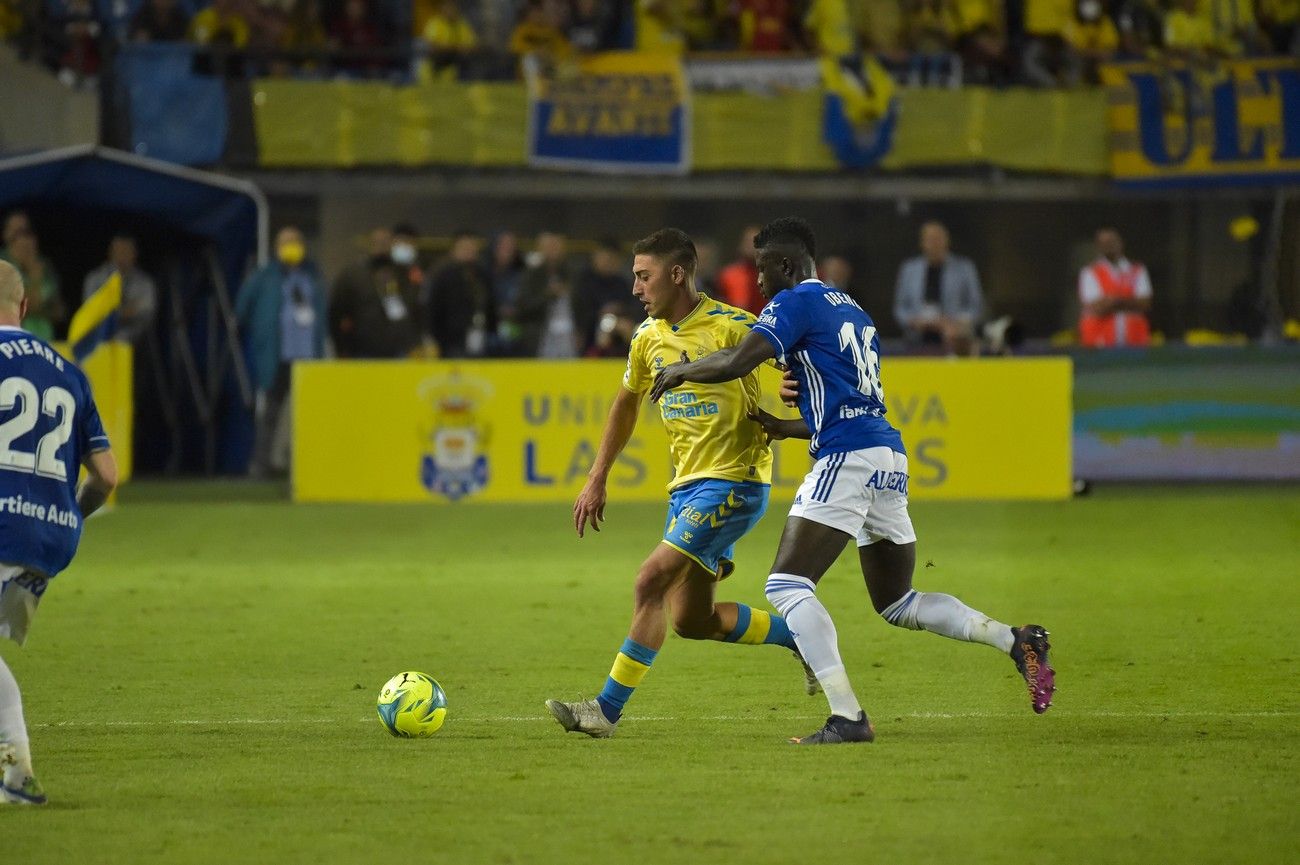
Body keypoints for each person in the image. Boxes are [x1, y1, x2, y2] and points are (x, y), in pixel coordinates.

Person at [649, 217, 1054, 744]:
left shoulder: (793, 302)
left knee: (786, 585)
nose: (760, 283)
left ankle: (847, 717)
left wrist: (684, 369)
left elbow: (739, 359)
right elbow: (848, 400)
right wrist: (785, 427)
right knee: (897, 601)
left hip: (849, 458)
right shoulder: (853, 310)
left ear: (788, 266)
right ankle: (1015, 639)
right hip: (886, 454)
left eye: (764, 270)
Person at [545, 228, 813, 739]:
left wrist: (792, 382)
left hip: (734, 479)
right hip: (686, 486)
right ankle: (803, 636)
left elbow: (797, 359)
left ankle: (604, 711)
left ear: (676, 274)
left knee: (649, 580)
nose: (635, 288)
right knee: (693, 620)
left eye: (643, 276)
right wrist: (597, 475)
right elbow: (626, 402)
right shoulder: (647, 338)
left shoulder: (735, 326)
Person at [0, 260, 119, 805]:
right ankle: (15, 774)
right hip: (51, 539)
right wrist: (70, 516)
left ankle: (16, 769)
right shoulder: (69, 372)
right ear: (24, 308)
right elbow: (107, 476)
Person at [235, 226, 327, 478]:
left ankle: (303, 467)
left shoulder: (313, 276)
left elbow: (322, 314)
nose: (291, 246)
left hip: (308, 357)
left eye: (295, 241)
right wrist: (260, 333)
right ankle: (260, 465)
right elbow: (241, 309)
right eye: (286, 242)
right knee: (271, 414)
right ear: (276, 248)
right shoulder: (264, 276)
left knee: (306, 415)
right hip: (277, 357)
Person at [330, 227, 425, 358]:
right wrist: (341, 347)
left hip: (400, 349)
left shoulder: (405, 273)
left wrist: (416, 342)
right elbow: (337, 312)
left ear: (392, 245)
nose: (382, 246)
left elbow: (415, 309)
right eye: (378, 242)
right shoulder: (352, 274)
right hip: (362, 350)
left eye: (386, 242)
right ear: (370, 244)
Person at [893, 221, 982, 355]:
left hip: (953, 341)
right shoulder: (909, 270)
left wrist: (955, 323)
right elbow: (900, 308)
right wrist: (913, 321)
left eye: (938, 239)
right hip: (916, 341)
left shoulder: (964, 268)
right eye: (930, 239)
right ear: (922, 242)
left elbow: (976, 306)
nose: (934, 243)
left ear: (947, 241)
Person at [1078, 227, 1152, 348]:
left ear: (1120, 242)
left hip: (1134, 343)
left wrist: (1113, 300)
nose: (1107, 245)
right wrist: (1129, 301)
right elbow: (1096, 307)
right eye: (1103, 243)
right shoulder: (1089, 272)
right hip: (1099, 343)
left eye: (1111, 241)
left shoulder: (1137, 270)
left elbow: (1145, 303)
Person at [425, 230, 494, 358]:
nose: (469, 251)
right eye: (464, 247)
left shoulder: (482, 276)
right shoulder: (443, 276)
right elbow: (433, 309)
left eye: (472, 247)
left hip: (480, 338)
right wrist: (438, 339)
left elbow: (491, 306)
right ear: (454, 250)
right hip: (452, 343)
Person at [81, 234, 157, 344]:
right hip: (98, 340)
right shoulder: (95, 278)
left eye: (126, 252)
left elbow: (146, 310)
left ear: (134, 254)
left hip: (136, 341)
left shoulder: (145, 283)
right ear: (110, 253)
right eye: (118, 252)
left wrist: (114, 313)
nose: (122, 257)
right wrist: (123, 311)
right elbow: (90, 310)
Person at [716, 226, 764, 315]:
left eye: (756, 242)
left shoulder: (771, 275)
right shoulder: (729, 275)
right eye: (748, 241)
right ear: (741, 245)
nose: (752, 246)